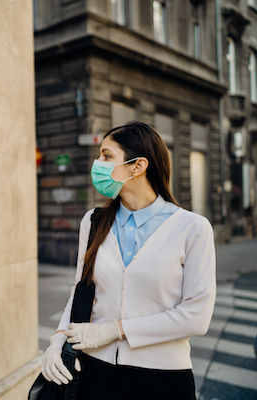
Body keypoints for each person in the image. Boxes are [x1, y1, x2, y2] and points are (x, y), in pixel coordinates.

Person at [41, 121, 216, 400]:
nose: (98, 163)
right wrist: (59, 338)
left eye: (107, 156)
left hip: (162, 377)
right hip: (94, 371)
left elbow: (196, 317)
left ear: (138, 166)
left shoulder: (192, 228)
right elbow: (81, 289)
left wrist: (115, 331)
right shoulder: (94, 220)